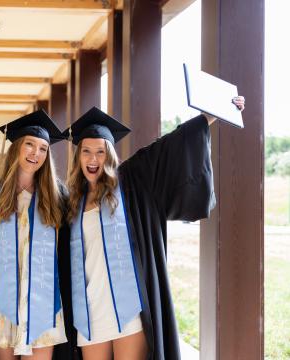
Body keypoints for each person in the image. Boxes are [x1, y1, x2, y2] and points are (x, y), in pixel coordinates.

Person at [64, 98, 245, 360]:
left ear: (110, 154)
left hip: (129, 312)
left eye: (100, 151)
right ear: (77, 157)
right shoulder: (70, 202)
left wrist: (211, 114)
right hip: (90, 314)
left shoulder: (130, 183)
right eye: (86, 152)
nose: (93, 159)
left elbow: (170, 147)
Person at [0, 110, 76, 360]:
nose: (35, 154)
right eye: (29, 144)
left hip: (44, 307)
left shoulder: (58, 197)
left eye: (42, 148)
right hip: (2, 306)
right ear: (16, 146)